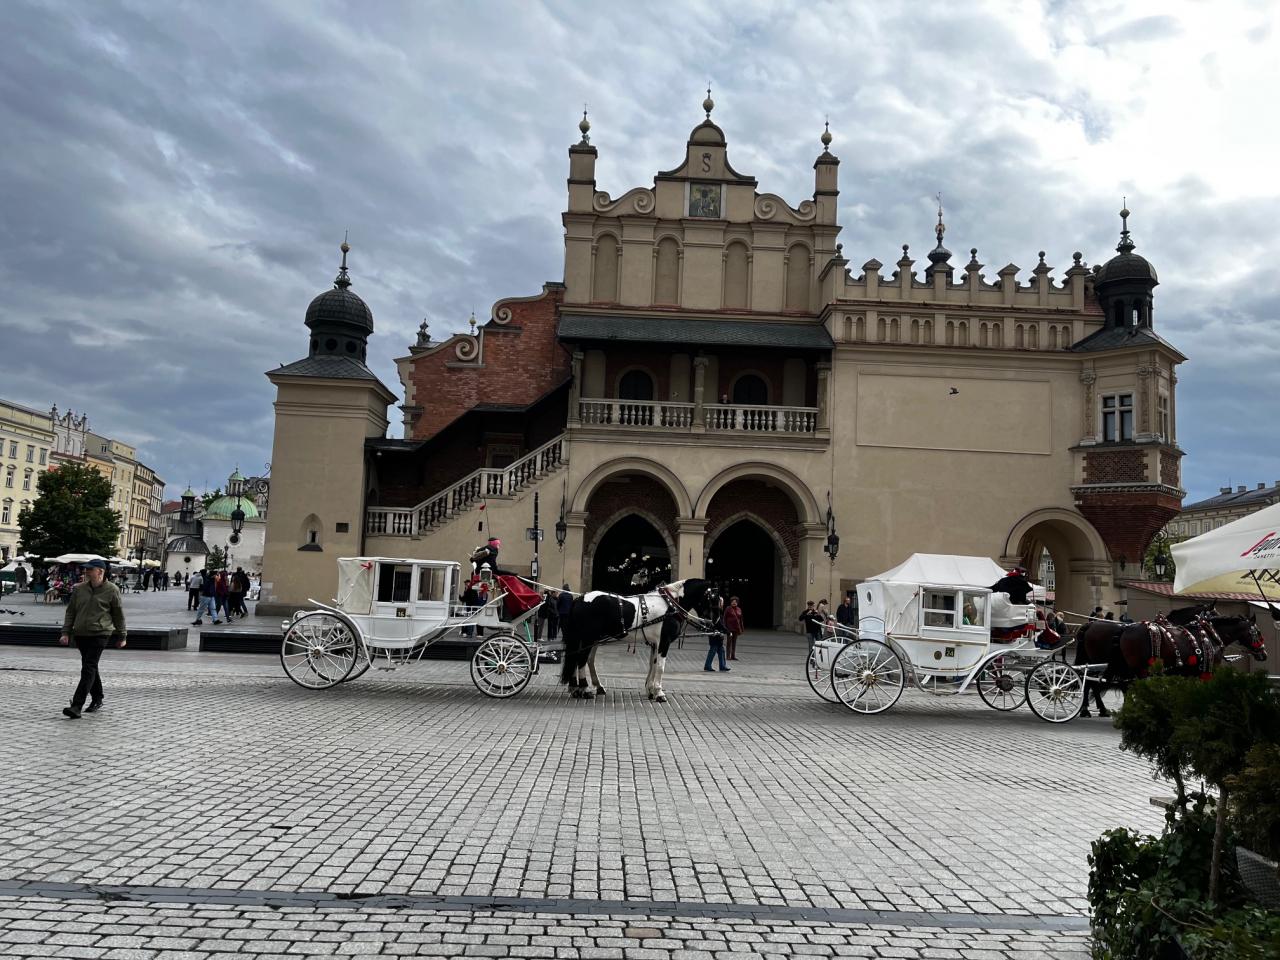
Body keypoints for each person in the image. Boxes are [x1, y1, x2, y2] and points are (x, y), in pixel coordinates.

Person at [59, 558, 126, 718]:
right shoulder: (79, 589)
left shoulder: (112, 590)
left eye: (90, 569)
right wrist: (65, 632)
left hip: (101, 633)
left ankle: (76, 706)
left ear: (100, 571)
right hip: (81, 633)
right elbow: (71, 611)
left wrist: (122, 635)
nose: (86, 571)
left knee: (88, 667)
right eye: (86, 569)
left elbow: (118, 614)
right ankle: (97, 698)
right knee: (90, 666)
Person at [723, 596, 744, 661]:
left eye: (735, 602)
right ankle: (728, 656)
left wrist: (742, 628)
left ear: (737, 602)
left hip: (736, 628)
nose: (734, 603)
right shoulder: (728, 608)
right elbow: (724, 618)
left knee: (734, 643)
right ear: (731, 602)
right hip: (729, 629)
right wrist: (725, 627)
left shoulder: (739, 609)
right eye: (733, 602)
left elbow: (741, 619)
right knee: (729, 642)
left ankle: (733, 656)